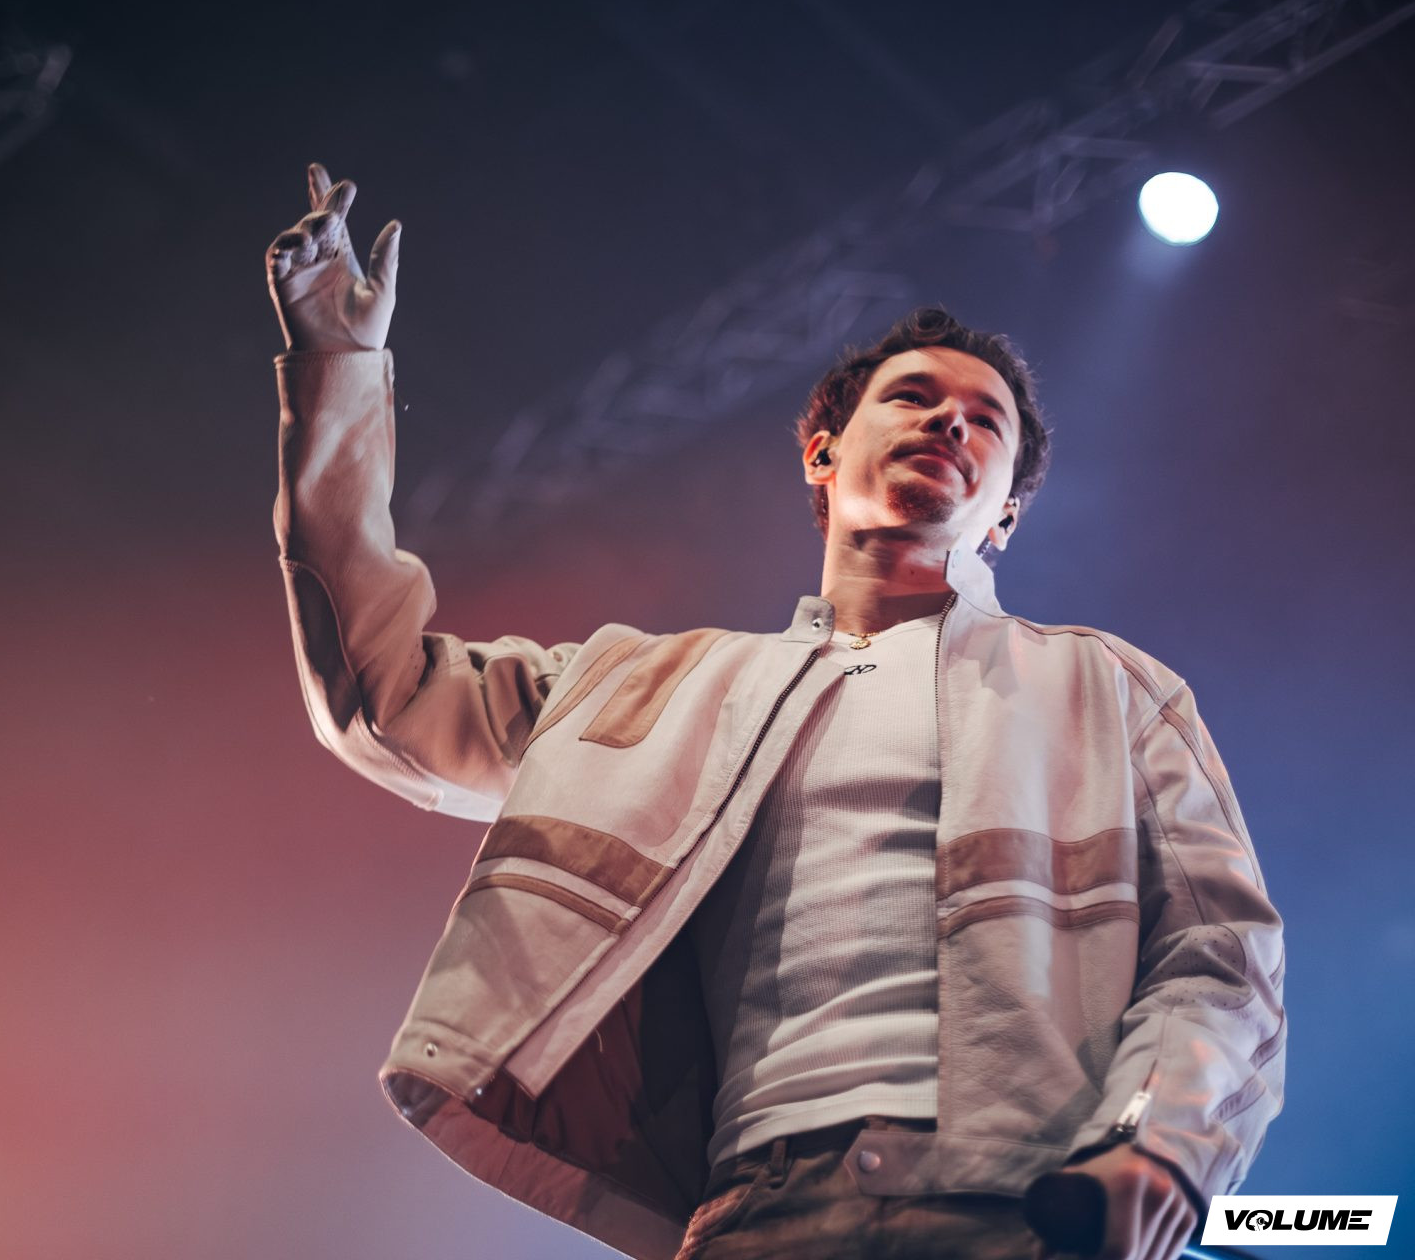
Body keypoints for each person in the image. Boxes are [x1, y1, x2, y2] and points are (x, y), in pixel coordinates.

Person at [265, 164, 1284, 1260]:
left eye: (986, 420)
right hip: (756, 1213)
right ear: (821, 452)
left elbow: (1219, 954)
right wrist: (337, 371)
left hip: (1024, 1206)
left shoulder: (1108, 687)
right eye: (913, 396)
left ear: (1005, 518)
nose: (951, 419)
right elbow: (386, 691)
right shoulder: (644, 687)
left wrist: (1161, 1141)